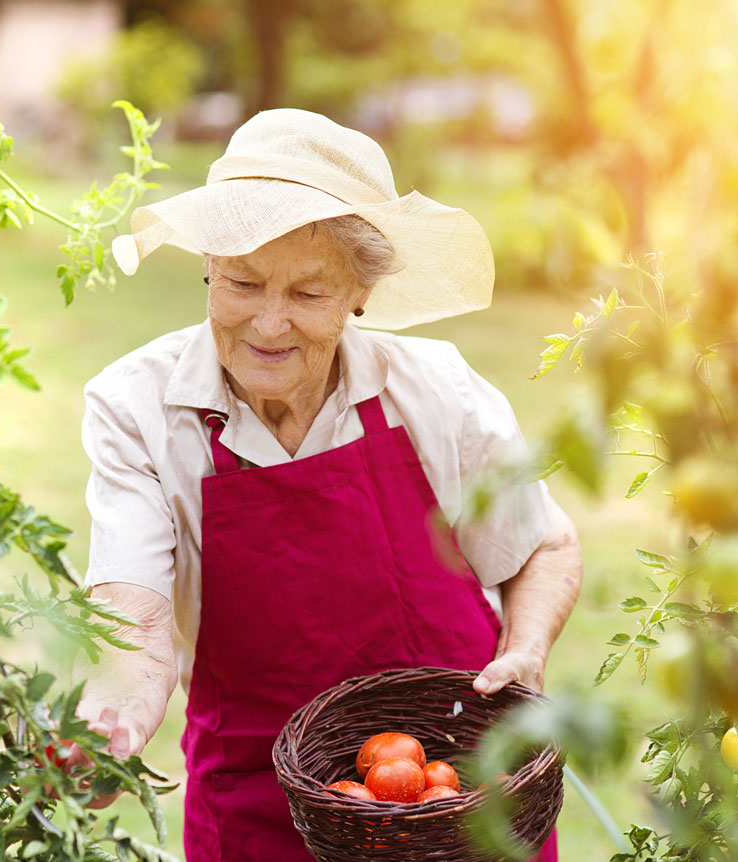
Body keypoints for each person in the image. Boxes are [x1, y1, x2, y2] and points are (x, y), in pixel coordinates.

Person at [74, 109, 582, 862]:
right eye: (242, 282)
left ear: (359, 296)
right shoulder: (138, 408)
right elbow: (135, 619)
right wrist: (110, 722)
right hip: (259, 815)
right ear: (209, 267)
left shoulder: (435, 389)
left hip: (457, 808)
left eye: (309, 295)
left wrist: (526, 651)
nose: (269, 324)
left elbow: (544, 545)